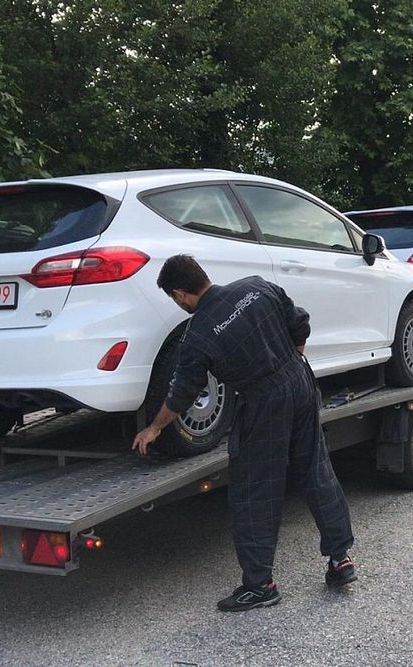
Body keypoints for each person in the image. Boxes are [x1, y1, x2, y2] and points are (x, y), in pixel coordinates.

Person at [132, 254, 357, 612]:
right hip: (299, 381)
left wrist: (156, 427)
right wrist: (293, 363)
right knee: (316, 469)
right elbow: (300, 322)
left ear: (179, 294)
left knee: (255, 489)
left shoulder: (199, 333)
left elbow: (183, 390)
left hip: (263, 402)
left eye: (174, 299)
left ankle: (260, 585)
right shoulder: (255, 286)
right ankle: (340, 559)